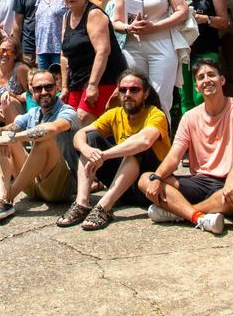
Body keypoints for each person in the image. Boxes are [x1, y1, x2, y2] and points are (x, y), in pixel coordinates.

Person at [139, 58, 233, 235]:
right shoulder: (190, 117)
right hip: (201, 182)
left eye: (212, 75)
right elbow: (174, 156)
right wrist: (157, 177)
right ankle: (198, 216)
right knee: (145, 179)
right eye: (201, 77)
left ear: (222, 80)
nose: (207, 80)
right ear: (196, 87)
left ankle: (181, 213)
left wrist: (231, 179)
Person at [60, 69, 170, 231]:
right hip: (121, 185)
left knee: (134, 148)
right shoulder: (114, 114)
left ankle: (104, 207)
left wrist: (104, 155)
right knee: (90, 139)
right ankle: (82, 203)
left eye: (134, 89)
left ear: (145, 94)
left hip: (148, 186)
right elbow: (80, 134)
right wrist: (87, 149)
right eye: (123, 90)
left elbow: (144, 141)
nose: (127, 94)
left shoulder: (155, 114)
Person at [0, 68, 80, 223]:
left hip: (59, 187)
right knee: (4, 136)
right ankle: (2, 198)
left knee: (43, 139)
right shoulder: (33, 113)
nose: (43, 92)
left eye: (48, 87)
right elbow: (3, 129)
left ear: (57, 88)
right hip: (32, 184)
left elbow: (52, 129)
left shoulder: (67, 111)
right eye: (38, 88)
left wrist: (13, 137)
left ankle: (7, 198)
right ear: (31, 91)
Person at [114, 0, 189, 117]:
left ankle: (162, 143)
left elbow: (183, 10)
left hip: (162, 46)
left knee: (160, 101)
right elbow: (115, 21)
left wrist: (154, 27)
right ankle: (138, 144)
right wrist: (129, 28)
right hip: (134, 48)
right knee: (134, 100)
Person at [60, 0, 126, 120]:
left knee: (83, 117)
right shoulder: (67, 16)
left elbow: (103, 51)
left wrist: (92, 85)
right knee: (68, 120)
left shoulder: (94, 14)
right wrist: (65, 87)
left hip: (103, 80)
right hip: (77, 81)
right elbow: (64, 55)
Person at [176, 0, 231, 112]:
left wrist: (205, 19)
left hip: (206, 49)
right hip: (183, 51)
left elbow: (224, 22)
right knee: (185, 98)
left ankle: (210, 133)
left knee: (204, 95)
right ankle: (192, 135)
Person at [0, 38, 30, 129]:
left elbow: (32, 95)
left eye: (9, 52)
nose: (5, 54)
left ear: (15, 55)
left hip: (21, 113)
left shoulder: (21, 69)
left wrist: (14, 96)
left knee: (7, 100)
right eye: (2, 50)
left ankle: (14, 137)